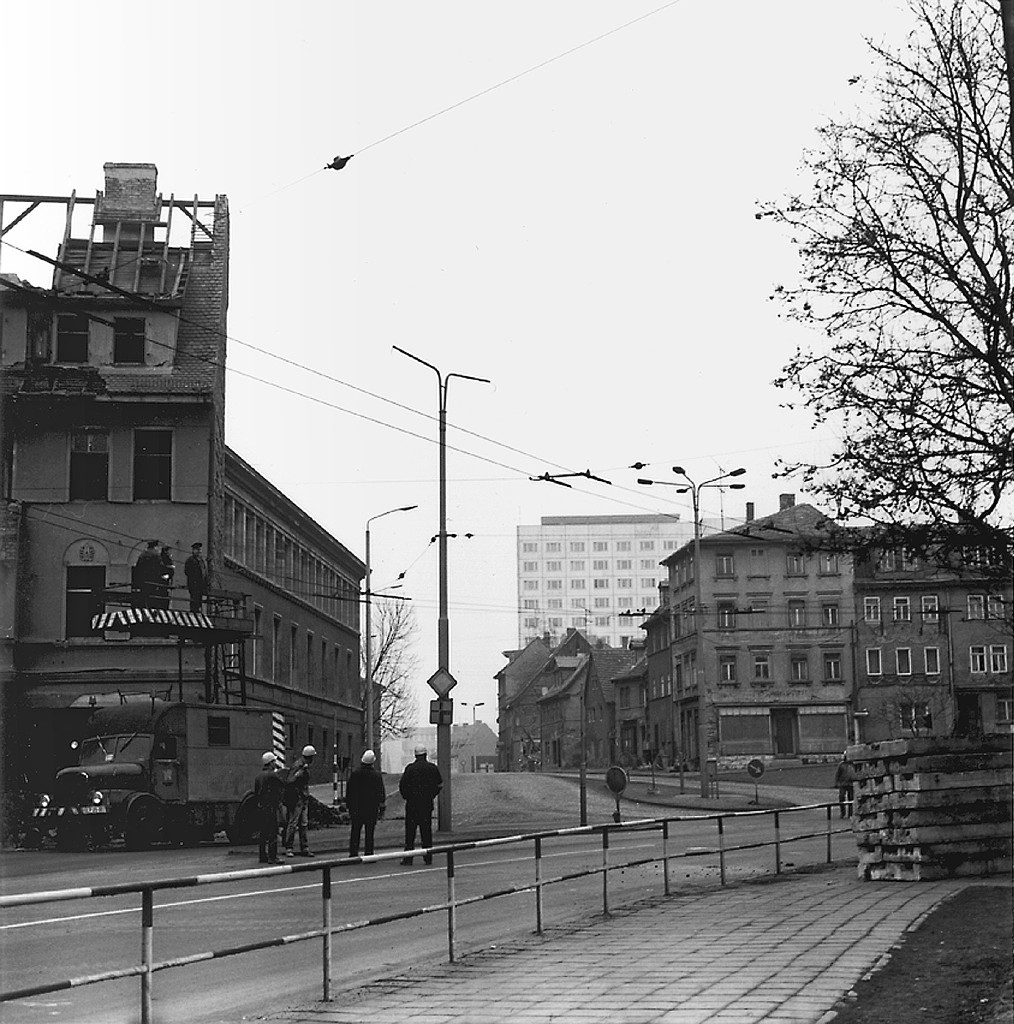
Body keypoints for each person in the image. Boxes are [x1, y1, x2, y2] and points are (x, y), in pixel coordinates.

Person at [399, 745, 443, 865]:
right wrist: (431, 795)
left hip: (412, 805)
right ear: (425, 754)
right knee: (426, 832)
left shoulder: (410, 768)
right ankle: (428, 857)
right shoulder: (432, 768)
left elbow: (402, 786)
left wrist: (407, 796)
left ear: (415, 755)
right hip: (426, 804)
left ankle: (408, 858)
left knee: (410, 833)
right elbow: (439, 785)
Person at [347, 749, 386, 857]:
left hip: (357, 808)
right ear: (373, 762)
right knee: (370, 832)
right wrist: (381, 808)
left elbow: (349, 792)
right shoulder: (376, 776)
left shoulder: (355, 774)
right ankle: (369, 853)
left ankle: (353, 853)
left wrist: (349, 807)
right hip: (371, 809)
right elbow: (381, 792)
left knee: (355, 831)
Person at [283, 744, 316, 857]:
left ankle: (304, 847)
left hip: (303, 798)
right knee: (293, 823)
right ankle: (289, 847)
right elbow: (290, 781)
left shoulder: (304, 765)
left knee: (303, 823)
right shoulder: (298, 766)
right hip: (297, 798)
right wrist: (298, 775)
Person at [253, 752, 285, 864]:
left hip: (261, 807)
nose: (275, 763)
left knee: (263, 832)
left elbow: (256, 793)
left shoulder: (258, 776)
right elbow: (283, 784)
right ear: (270, 763)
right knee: (273, 832)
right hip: (271, 806)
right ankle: (273, 857)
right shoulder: (272, 775)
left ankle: (262, 856)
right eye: (274, 761)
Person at [134, 540, 162, 607]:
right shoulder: (156, 555)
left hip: (143, 580)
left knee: (144, 597)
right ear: (155, 546)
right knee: (152, 598)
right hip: (153, 580)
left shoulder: (142, 554)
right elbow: (160, 567)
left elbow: (138, 567)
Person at [184, 542, 208, 612]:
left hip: (201, 584)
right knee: (194, 599)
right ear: (193, 550)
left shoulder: (201, 560)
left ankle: (197, 610)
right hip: (194, 584)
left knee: (199, 600)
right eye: (198, 550)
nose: (199, 551)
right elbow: (187, 571)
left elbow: (204, 572)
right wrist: (194, 579)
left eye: (200, 550)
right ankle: (194, 611)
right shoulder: (190, 560)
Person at [834, 751, 855, 818]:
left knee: (851, 799)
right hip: (843, 784)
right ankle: (842, 813)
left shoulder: (853, 765)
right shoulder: (841, 765)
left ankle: (850, 813)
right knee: (841, 797)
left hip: (851, 784)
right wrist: (836, 783)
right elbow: (837, 774)